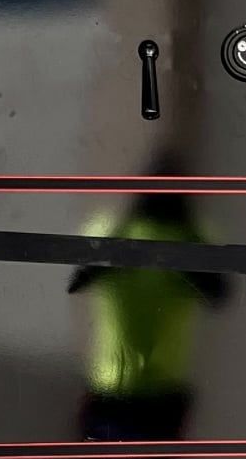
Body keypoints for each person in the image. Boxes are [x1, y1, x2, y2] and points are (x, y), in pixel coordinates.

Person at [70, 188, 228, 443]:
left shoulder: (111, 232)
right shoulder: (190, 242)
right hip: (162, 395)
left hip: (111, 387)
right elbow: (220, 293)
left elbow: (76, 281)